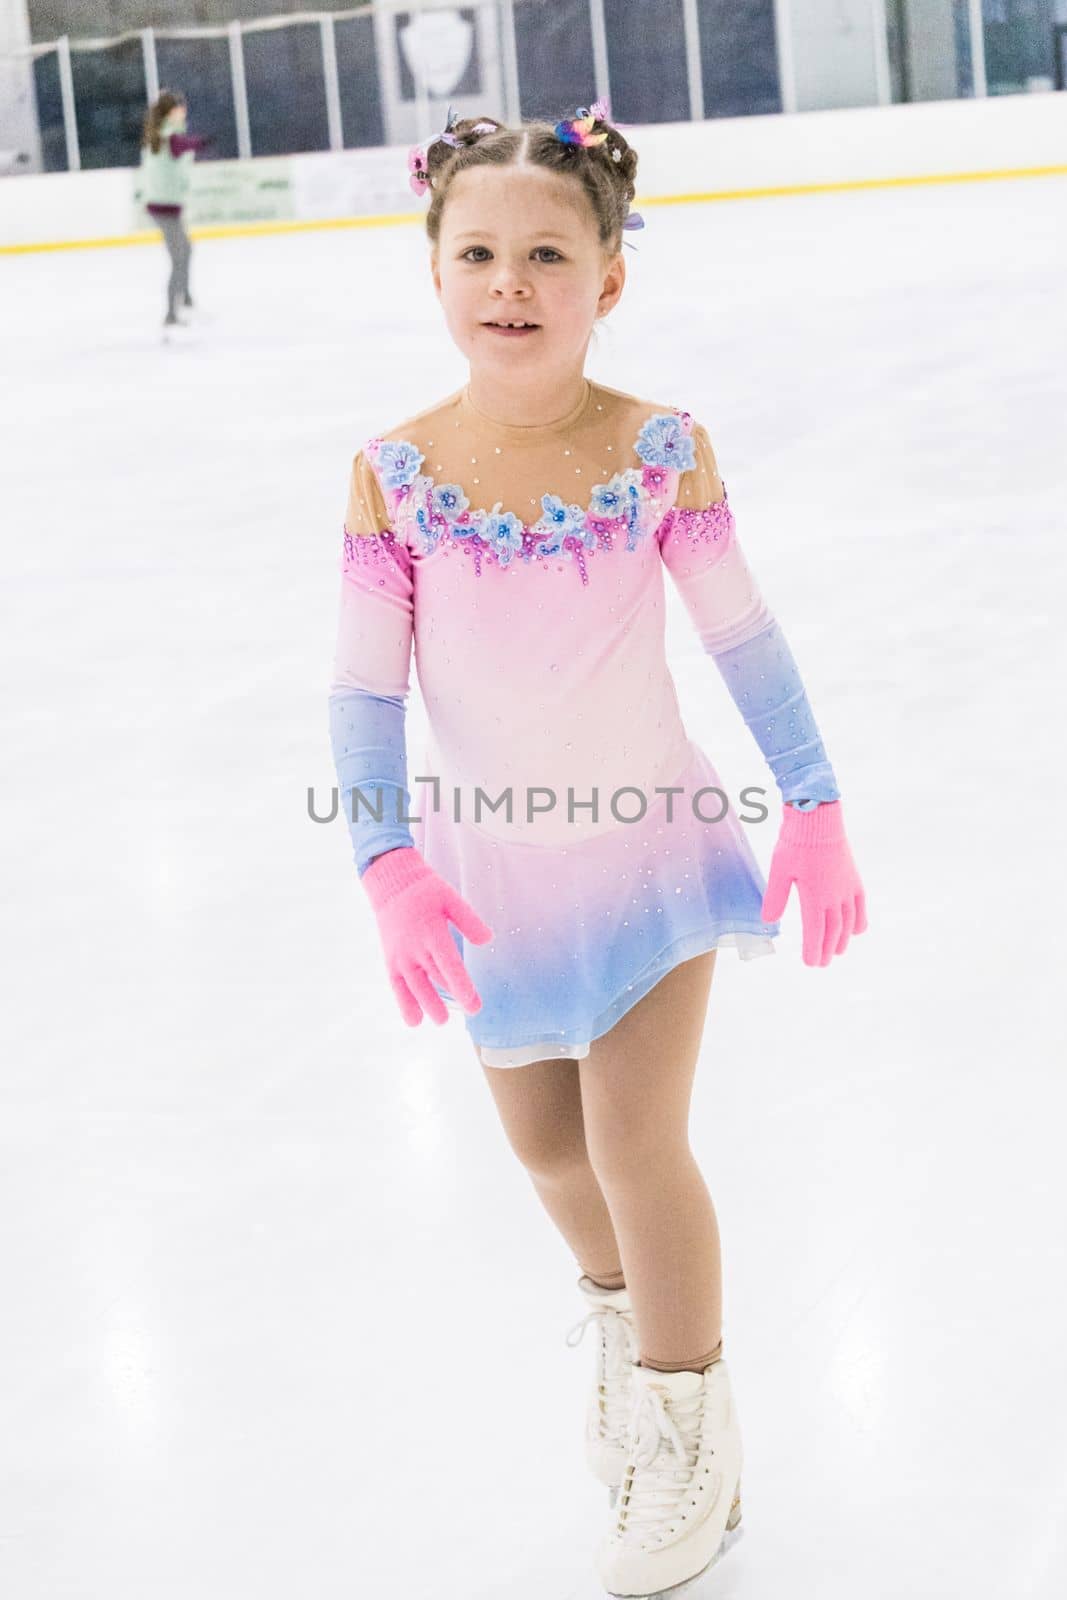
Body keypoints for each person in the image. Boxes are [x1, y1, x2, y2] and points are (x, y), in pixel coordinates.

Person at [327, 99, 867, 1596]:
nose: (511, 280)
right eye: (480, 251)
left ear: (608, 277)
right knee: (550, 1155)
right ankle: (637, 1346)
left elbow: (742, 635)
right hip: (490, 875)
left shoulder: (655, 449)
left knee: (634, 1143)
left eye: (546, 255)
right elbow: (363, 690)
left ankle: (690, 1427)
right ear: (433, 270)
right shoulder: (393, 472)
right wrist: (384, 867)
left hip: (647, 855)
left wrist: (810, 798)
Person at [136, 91, 212, 333]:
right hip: (163, 207)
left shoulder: (161, 135)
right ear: (171, 111)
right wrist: (203, 142)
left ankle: (185, 297)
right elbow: (183, 146)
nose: (184, 111)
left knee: (185, 251)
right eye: (180, 107)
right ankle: (171, 312)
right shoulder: (168, 137)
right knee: (179, 257)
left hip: (167, 204)